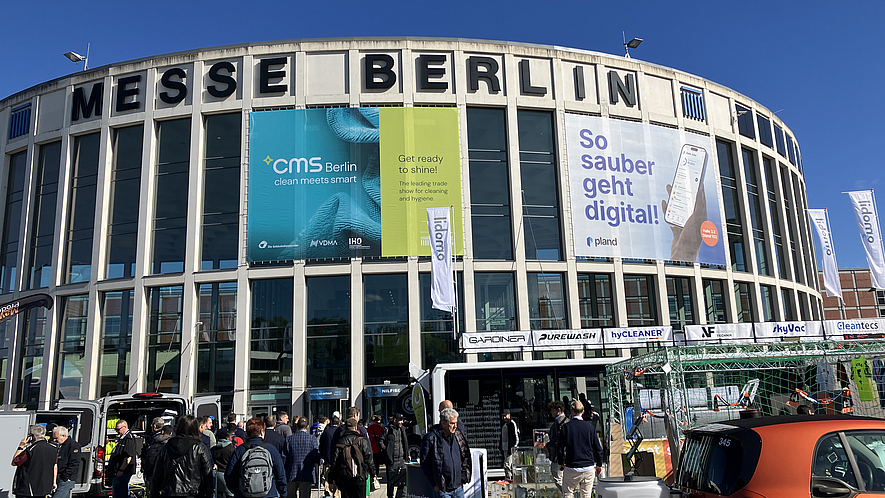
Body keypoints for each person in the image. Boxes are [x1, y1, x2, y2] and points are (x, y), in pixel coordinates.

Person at [151, 415, 213, 498]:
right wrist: (209, 494)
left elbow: (157, 474)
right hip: (193, 493)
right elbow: (207, 474)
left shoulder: (167, 447)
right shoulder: (199, 448)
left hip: (170, 492)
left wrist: (154, 493)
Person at [225, 417, 287, 498]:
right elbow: (280, 474)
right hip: (269, 493)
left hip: (244, 494)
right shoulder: (271, 450)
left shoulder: (240, 450)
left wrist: (237, 490)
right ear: (262, 432)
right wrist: (283, 493)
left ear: (247, 433)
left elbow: (229, 475)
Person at [420, 408, 471, 498]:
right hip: (442, 490)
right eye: (452, 423)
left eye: (456, 423)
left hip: (458, 488)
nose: (455, 426)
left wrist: (463, 478)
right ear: (443, 423)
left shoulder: (458, 435)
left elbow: (465, 456)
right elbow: (425, 463)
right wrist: (434, 484)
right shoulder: (431, 438)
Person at [557, 401, 603, 498]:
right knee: (586, 495)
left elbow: (560, 447)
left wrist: (561, 462)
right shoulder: (590, 428)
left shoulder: (566, 427)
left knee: (568, 492)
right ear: (583, 412)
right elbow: (598, 448)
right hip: (588, 466)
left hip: (572, 466)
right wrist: (599, 464)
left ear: (571, 411)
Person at [328, 419, 374, 498]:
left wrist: (331, 480)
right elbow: (369, 459)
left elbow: (334, 462)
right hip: (360, 477)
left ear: (345, 428)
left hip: (344, 477)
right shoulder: (362, 441)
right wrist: (373, 474)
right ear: (356, 428)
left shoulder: (340, 442)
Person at [13, 425, 58, 498]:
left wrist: (20, 447)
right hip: (45, 487)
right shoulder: (54, 448)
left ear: (32, 436)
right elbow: (55, 466)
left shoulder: (31, 450)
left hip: (28, 489)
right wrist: (54, 482)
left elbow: (15, 462)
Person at [283, 418, 320, 498]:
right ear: (307, 427)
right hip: (306, 472)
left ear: (297, 426)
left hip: (291, 471)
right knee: (305, 495)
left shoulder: (289, 439)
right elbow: (316, 455)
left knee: (290, 495)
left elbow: (284, 457)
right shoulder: (312, 439)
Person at [379, 414, 409, 498]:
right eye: (400, 420)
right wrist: (386, 451)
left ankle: (400, 496)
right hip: (392, 460)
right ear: (395, 420)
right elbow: (380, 441)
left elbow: (405, 443)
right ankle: (390, 496)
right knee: (391, 481)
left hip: (402, 459)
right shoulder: (387, 429)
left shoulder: (402, 429)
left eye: (402, 420)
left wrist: (407, 454)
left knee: (403, 481)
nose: (402, 422)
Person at [109, 420, 139, 498]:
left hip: (123, 472)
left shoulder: (128, 439)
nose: (117, 431)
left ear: (125, 427)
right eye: (116, 429)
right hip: (118, 470)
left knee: (120, 493)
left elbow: (128, 457)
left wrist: (121, 470)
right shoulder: (122, 438)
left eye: (118, 429)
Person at [53, 426, 81, 498]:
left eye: (56, 438)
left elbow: (74, 463)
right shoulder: (61, 445)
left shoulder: (73, 445)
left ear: (63, 435)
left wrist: (64, 476)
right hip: (61, 477)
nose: (54, 440)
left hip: (66, 478)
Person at [142, 417, 170, 487]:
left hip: (152, 472)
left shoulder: (154, 440)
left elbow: (150, 458)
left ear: (154, 426)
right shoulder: (168, 440)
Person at [546, 401, 567, 490]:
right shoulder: (566, 421)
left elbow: (558, 440)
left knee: (558, 478)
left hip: (559, 455)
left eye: (552, 410)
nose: (551, 413)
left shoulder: (559, 423)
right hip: (565, 455)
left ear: (558, 410)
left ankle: (568, 494)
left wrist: (548, 445)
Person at [319, 416, 340, 498]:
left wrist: (322, 456)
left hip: (327, 458)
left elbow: (321, 445)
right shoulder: (340, 431)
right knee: (337, 476)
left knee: (327, 475)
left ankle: (327, 490)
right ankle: (336, 492)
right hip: (337, 459)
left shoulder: (326, 432)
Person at [213, 431, 237, 498]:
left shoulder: (215, 448)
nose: (232, 439)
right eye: (231, 437)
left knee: (219, 494)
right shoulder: (231, 449)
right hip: (227, 474)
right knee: (230, 495)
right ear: (227, 438)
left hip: (217, 474)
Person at [500, 410, 519, 480]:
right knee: (509, 464)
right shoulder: (504, 425)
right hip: (505, 448)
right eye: (503, 416)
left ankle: (509, 477)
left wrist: (514, 446)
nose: (504, 417)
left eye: (505, 416)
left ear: (509, 415)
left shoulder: (512, 423)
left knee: (507, 464)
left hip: (510, 448)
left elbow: (515, 436)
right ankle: (511, 477)